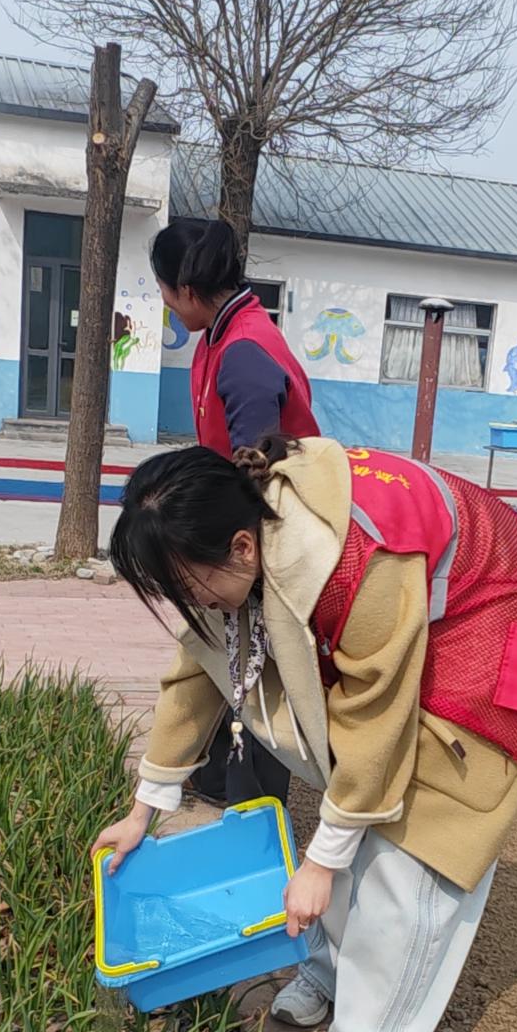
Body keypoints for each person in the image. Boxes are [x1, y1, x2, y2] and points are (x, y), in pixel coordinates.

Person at [92, 434, 517, 1032]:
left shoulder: (360, 559)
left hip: (491, 621)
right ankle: (327, 973)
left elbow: (375, 724)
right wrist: (144, 809)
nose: (186, 602)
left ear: (242, 548)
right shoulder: (248, 533)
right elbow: (197, 668)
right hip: (413, 617)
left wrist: (323, 859)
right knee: (347, 827)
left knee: (411, 857)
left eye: (187, 586)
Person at [150, 217, 320, 807]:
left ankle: (255, 802)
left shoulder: (245, 350)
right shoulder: (220, 335)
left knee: (259, 662)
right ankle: (217, 776)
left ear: (186, 291)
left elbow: (259, 469)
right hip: (238, 526)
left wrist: (234, 556)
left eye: (165, 292)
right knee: (227, 650)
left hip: (267, 530)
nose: (166, 304)